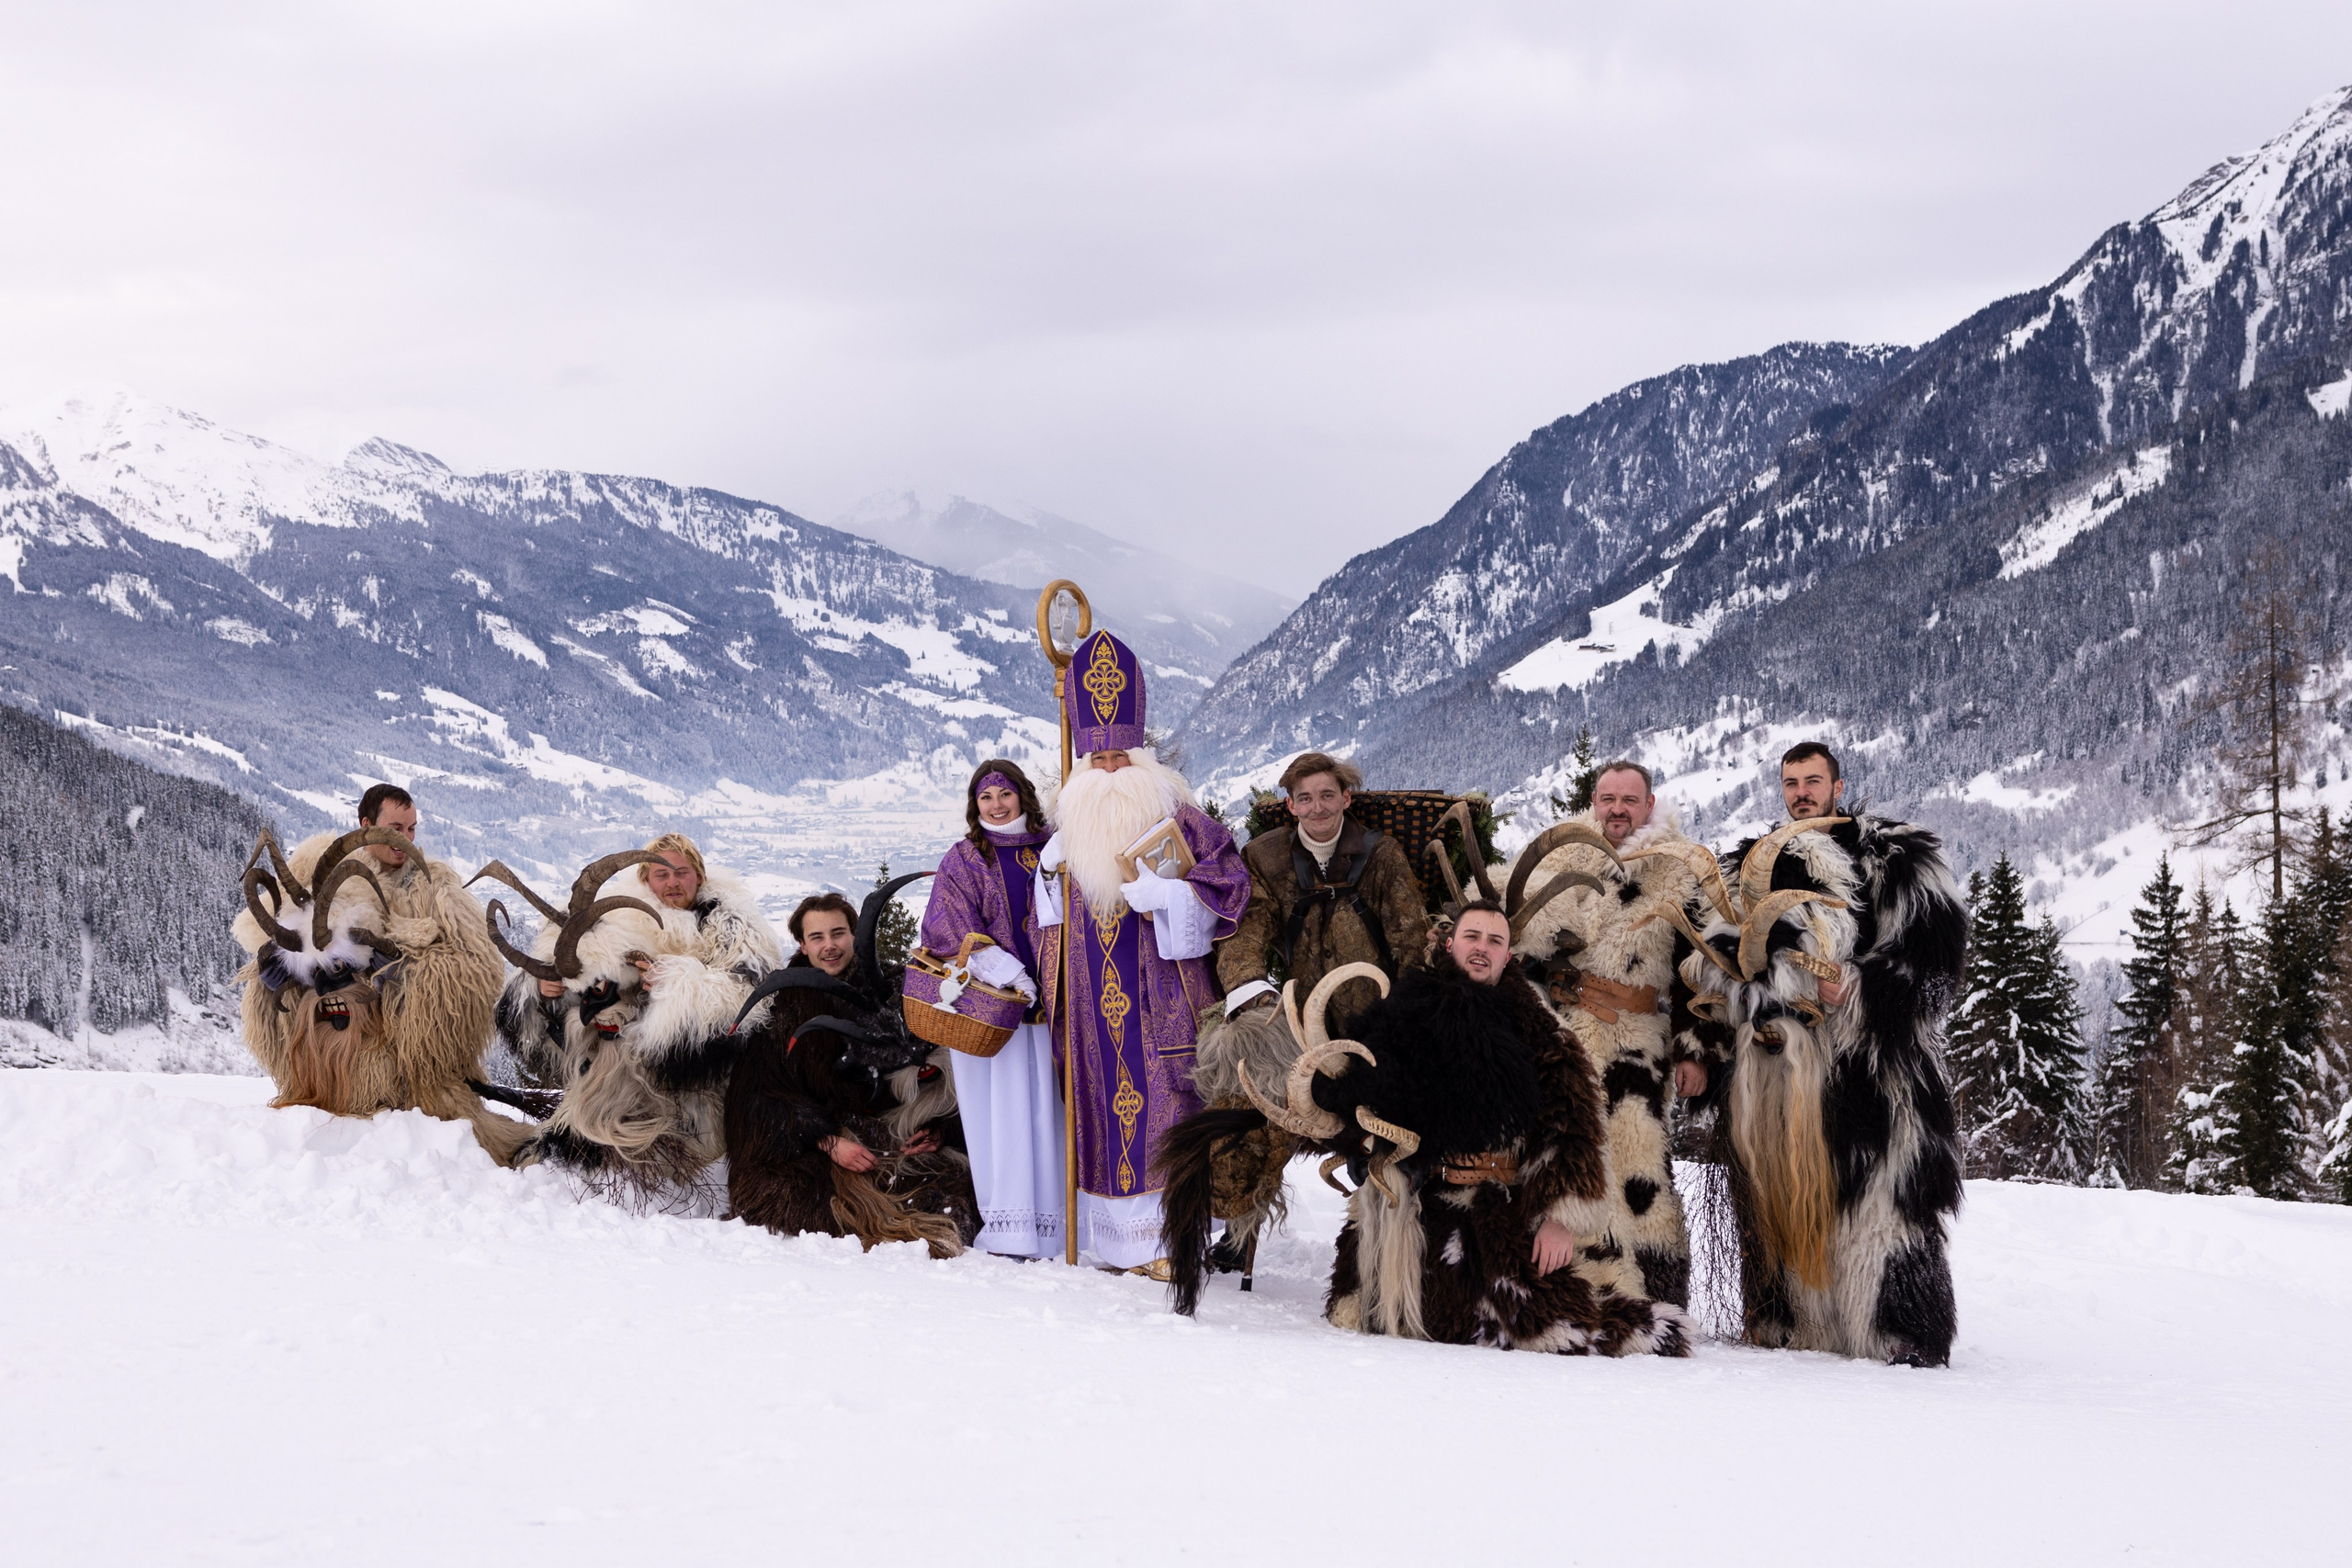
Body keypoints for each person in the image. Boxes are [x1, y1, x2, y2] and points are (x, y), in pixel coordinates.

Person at [1164, 902, 1689, 1355]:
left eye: (1495, 941)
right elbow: (1364, 1097)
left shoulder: (1543, 1032)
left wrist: (1559, 1219)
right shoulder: (1404, 1012)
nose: (1482, 948)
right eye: (1472, 937)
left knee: (1543, 1324)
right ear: (1451, 943)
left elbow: (1575, 1127)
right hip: (1418, 1205)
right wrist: (1358, 1137)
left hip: (1501, 1210)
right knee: (1366, 1314)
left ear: (1509, 955)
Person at [1675, 740, 1968, 1365]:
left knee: (1882, 1205)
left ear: (1838, 785)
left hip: (1875, 1074)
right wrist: (1705, 1041)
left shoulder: (1895, 857)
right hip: (1779, 1075)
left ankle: (1896, 1328)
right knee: (1783, 1204)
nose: (1802, 793)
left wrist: (1860, 988)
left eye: (1813, 781)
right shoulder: (1753, 866)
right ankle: (1793, 1323)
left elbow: (1936, 969)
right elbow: (1714, 964)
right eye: (1791, 783)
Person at [1035, 629, 1250, 1274]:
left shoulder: (1178, 815)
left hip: (1163, 1001)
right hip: (1094, 1012)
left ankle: (1173, 1240)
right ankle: (1123, 1244)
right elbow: (1046, 930)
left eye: (1119, 757)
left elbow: (1230, 884)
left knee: (1169, 1109)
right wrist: (1048, 881)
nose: (1108, 770)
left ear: (1141, 756)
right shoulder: (1065, 833)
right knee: (1106, 1113)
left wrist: (1173, 897)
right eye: (1097, 759)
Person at [1192, 750, 1429, 1270]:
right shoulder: (1267, 857)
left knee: (1386, 1127)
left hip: (1373, 1028)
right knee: (1250, 1111)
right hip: (1300, 1030)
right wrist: (1249, 989)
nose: (1317, 807)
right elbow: (1245, 930)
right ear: (1291, 806)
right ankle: (1239, 1227)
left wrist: (1402, 1022)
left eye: (1327, 795)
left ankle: (1385, 1232)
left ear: (1346, 799)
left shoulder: (1381, 856)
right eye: (1305, 798)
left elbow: (1410, 940)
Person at [232, 784, 531, 1164]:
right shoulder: (326, 875)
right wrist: (282, 971)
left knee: (457, 1128)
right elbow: (278, 933)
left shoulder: (435, 888)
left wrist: (402, 975)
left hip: (402, 1066)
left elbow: (475, 966)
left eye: (412, 829)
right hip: (324, 1065)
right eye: (395, 829)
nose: (405, 839)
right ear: (366, 825)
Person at [1508, 759, 1714, 1307]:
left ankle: (1651, 1294)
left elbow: (1699, 971)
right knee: (1562, 1153)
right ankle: (1566, 1287)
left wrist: (1693, 1050)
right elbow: (1518, 931)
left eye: (1629, 800)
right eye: (1608, 799)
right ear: (1594, 802)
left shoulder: (1683, 867)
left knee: (1636, 1161)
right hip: (1564, 1033)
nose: (1617, 810)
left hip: (1637, 1041)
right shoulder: (1562, 852)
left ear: (1649, 805)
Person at [724, 890, 977, 1254]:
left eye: (838, 933)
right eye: (817, 937)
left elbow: (932, 1071)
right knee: (836, 1206)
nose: (830, 946)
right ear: (802, 945)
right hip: (810, 1147)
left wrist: (938, 1129)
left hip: (884, 1131)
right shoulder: (787, 1006)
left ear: (854, 935)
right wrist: (827, 1141)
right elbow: (760, 1097)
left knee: (956, 1187)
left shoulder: (891, 988)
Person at [918, 761, 1064, 1258]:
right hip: (992, 1009)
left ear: (1023, 795)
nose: (997, 805)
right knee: (1002, 1114)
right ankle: (1011, 1226)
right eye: (986, 797)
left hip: (1056, 1009)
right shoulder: (963, 859)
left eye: (1005, 794)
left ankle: (1062, 1223)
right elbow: (947, 928)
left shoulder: (1053, 848)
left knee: (1051, 1111)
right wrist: (1010, 974)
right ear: (973, 804)